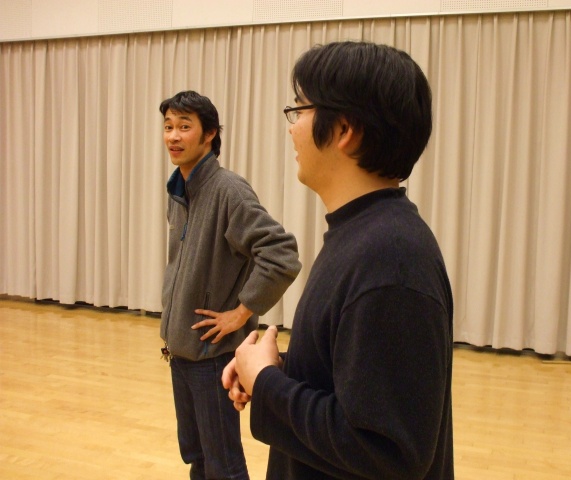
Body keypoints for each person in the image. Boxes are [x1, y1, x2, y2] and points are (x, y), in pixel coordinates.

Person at [222, 41, 454, 479]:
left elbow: (388, 453)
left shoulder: (391, 259)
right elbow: (359, 378)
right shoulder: (364, 234)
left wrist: (268, 384)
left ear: (344, 128)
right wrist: (275, 371)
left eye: (300, 110)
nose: (292, 128)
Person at [159, 90, 301, 480]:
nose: (173, 136)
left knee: (223, 465)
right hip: (181, 351)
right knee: (197, 457)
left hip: (212, 356)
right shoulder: (179, 190)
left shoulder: (228, 190)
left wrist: (241, 313)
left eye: (184, 126)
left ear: (210, 134)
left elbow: (281, 253)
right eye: (168, 127)